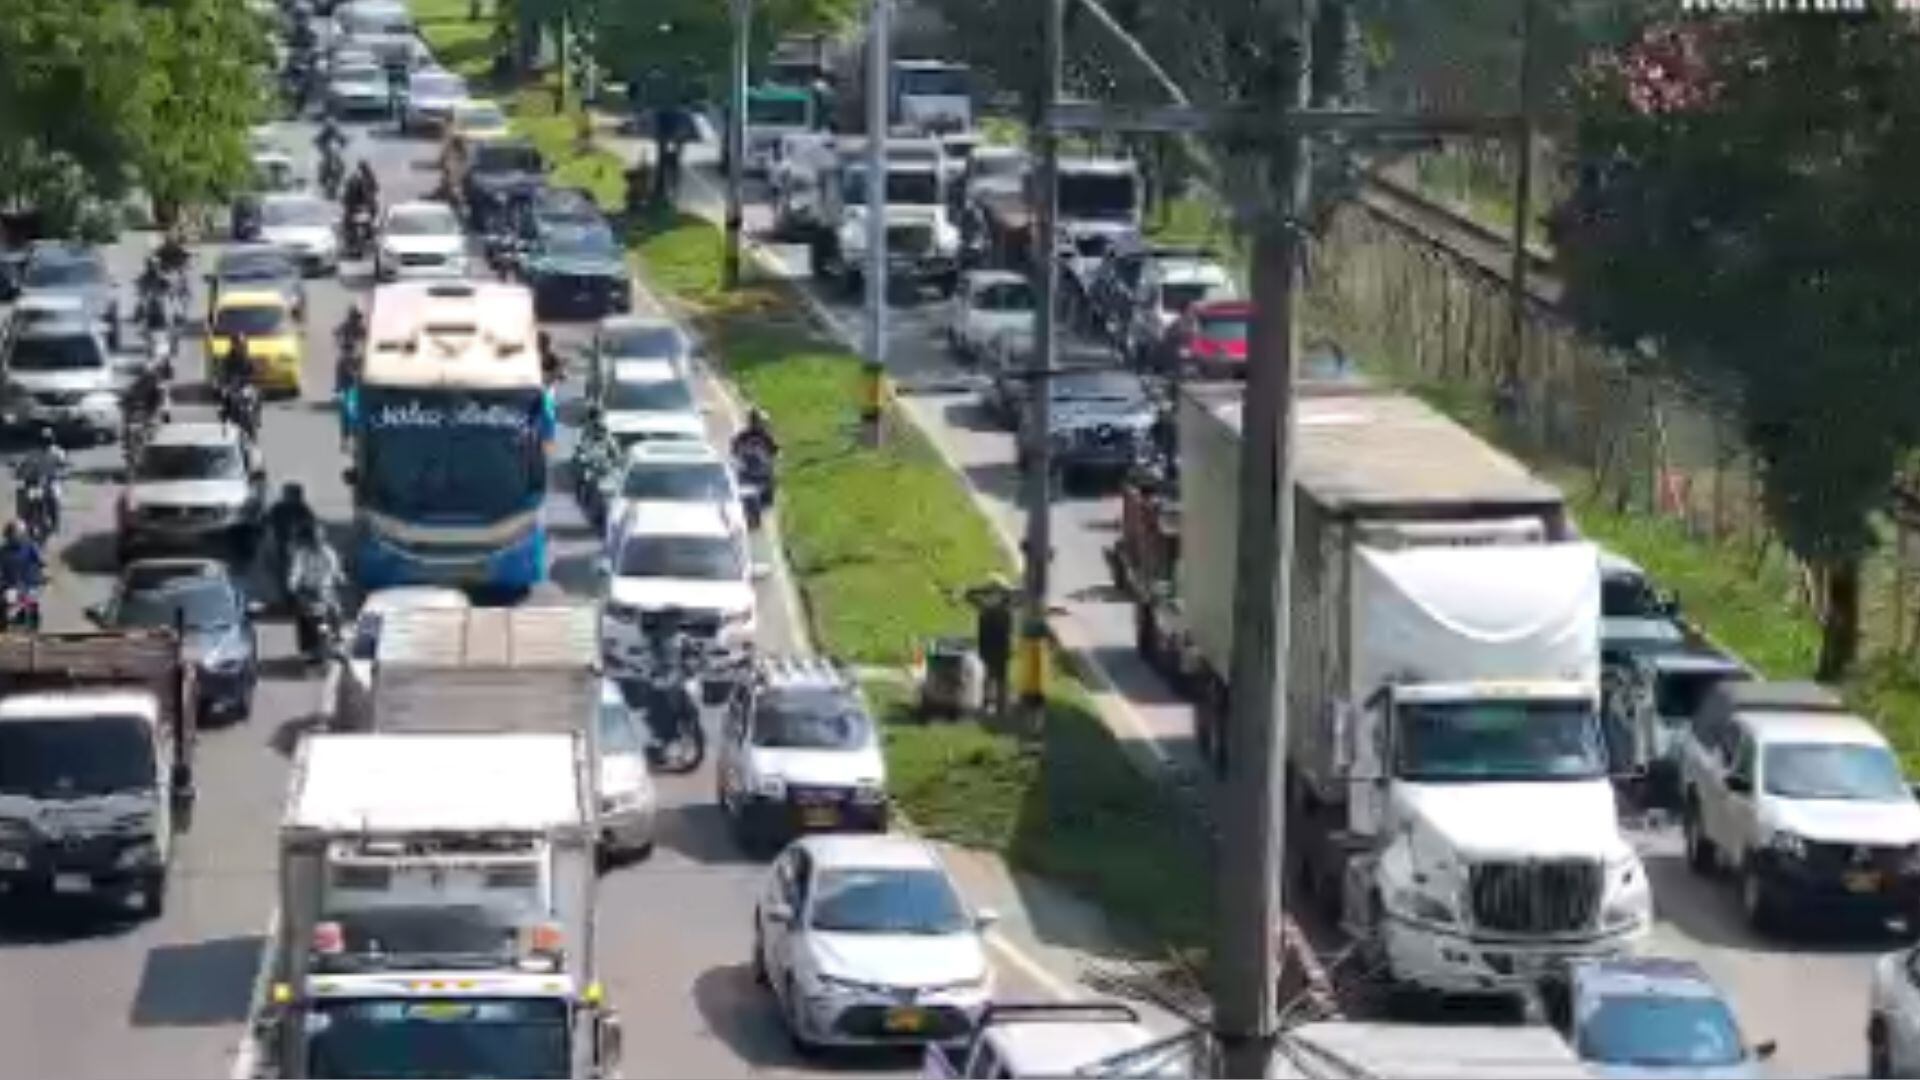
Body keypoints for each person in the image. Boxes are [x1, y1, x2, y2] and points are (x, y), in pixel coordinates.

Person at [966, 576, 1016, 718]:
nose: (995, 594)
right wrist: (983, 588)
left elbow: (970, 595)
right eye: (993, 591)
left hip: (999, 647)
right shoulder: (988, 605)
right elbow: (969, 595)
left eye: (997, 591)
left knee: (999, 678)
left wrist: (984, 589)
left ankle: (999, 706)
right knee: (989, 677)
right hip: (989, 647)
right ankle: (989, 705)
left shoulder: (1003, 606)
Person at [16, 428, 68, 536]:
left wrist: (60, 473)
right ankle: (26, 522)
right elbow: (24, 465)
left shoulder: (58, 452)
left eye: (47, 440)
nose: (45, 443)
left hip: (51, 481)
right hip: (35, 482)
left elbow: (63, 466)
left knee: (54, 499)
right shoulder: (32, 453)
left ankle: (55, 523)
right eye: (43, 440)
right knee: (27, 500)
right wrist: (21, 472)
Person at [0, 522, 45, 599]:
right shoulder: (3, 550)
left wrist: (41, 578)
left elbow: (39, 561)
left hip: (26, 586)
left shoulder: (29, 546)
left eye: (17, 533)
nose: (15, 536)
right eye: (13, 534)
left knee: (31, 602)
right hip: (12, 587)